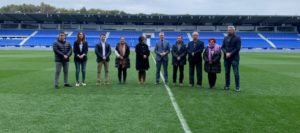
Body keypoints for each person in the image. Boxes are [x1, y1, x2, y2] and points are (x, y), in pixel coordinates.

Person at [221, 26, 241, 92]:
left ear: (233, 30)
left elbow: (237, 48)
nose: (228, 31)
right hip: (226, 58)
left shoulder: (237, 38)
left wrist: (230, 53)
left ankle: (237, 87)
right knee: (227, 72)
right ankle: (227, 85)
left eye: (230, 30)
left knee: (236, 73)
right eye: (228, 30)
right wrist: (226, 53)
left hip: (234, 58)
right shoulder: (225, 38)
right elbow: (222, 47)